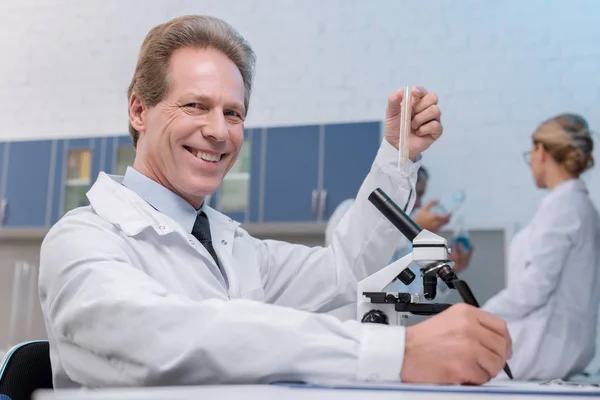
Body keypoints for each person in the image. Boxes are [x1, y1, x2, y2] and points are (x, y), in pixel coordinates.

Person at [38, 15, 511, 389]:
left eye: (234, 113)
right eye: (195, 105)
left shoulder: (236, 249)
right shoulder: (82, 240)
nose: (219, 131)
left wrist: (397, 156)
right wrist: (396, 354)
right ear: (139, 110)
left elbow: (344, 273)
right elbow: (164, 338)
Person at [482, 113, 600, 381]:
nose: (531, 162)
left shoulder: (563, 206)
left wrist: (477, 314)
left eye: (531, 153)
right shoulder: (580, 206)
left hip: (542, 349)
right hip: (567, 348)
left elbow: (533, 289)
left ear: (542, 152)